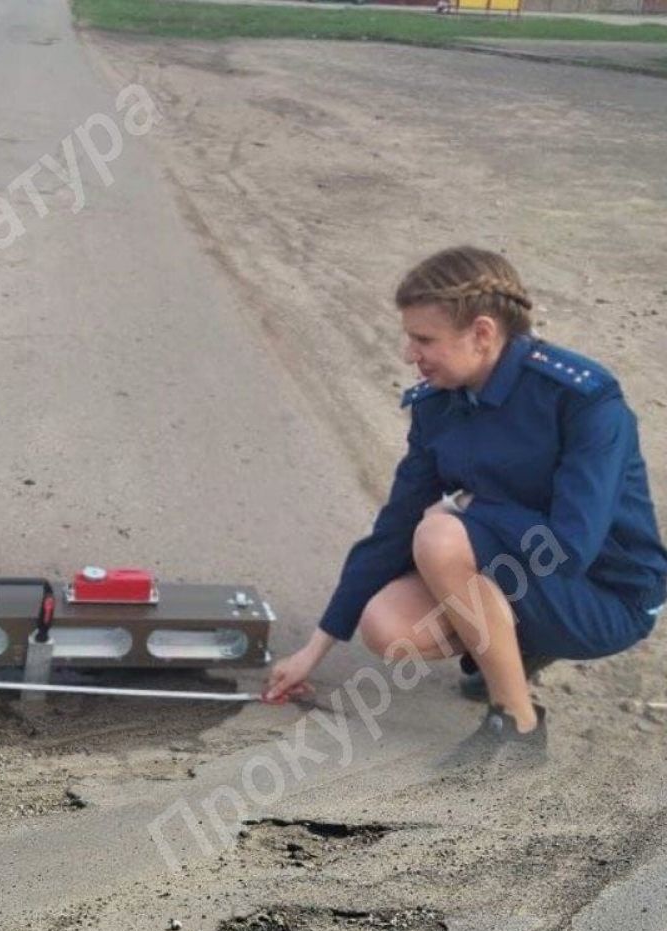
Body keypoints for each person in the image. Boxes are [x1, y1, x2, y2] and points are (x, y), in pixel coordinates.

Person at [263, 247, 666, 763]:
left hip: (604, 594)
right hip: (521, 572)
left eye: (424, 339)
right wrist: (314, 649)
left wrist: (467, 512)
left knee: (441, 535)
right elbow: (392, 529)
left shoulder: (582, 399)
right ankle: (513, 648)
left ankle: (517, 727)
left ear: (482, 333)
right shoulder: (440, 404)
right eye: (410, 337)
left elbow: (571, 546)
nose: (410, 353)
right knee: (387, 626)